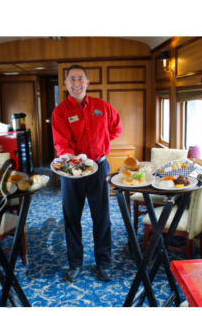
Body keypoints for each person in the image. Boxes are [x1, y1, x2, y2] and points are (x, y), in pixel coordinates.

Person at [51, 64, 123, 283]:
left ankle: (104, 263)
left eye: (80, 79)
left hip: (99, 168)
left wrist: (101, 144)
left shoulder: (102, 107)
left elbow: (116, 129)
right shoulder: (60, 111)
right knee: (72, 217)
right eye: (71, 79)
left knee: (102, 217)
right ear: (66, 83)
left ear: (87, 82)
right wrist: (76, 162)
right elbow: (62, 143)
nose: (76, 83)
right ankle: (75, 263)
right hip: (72, 171)